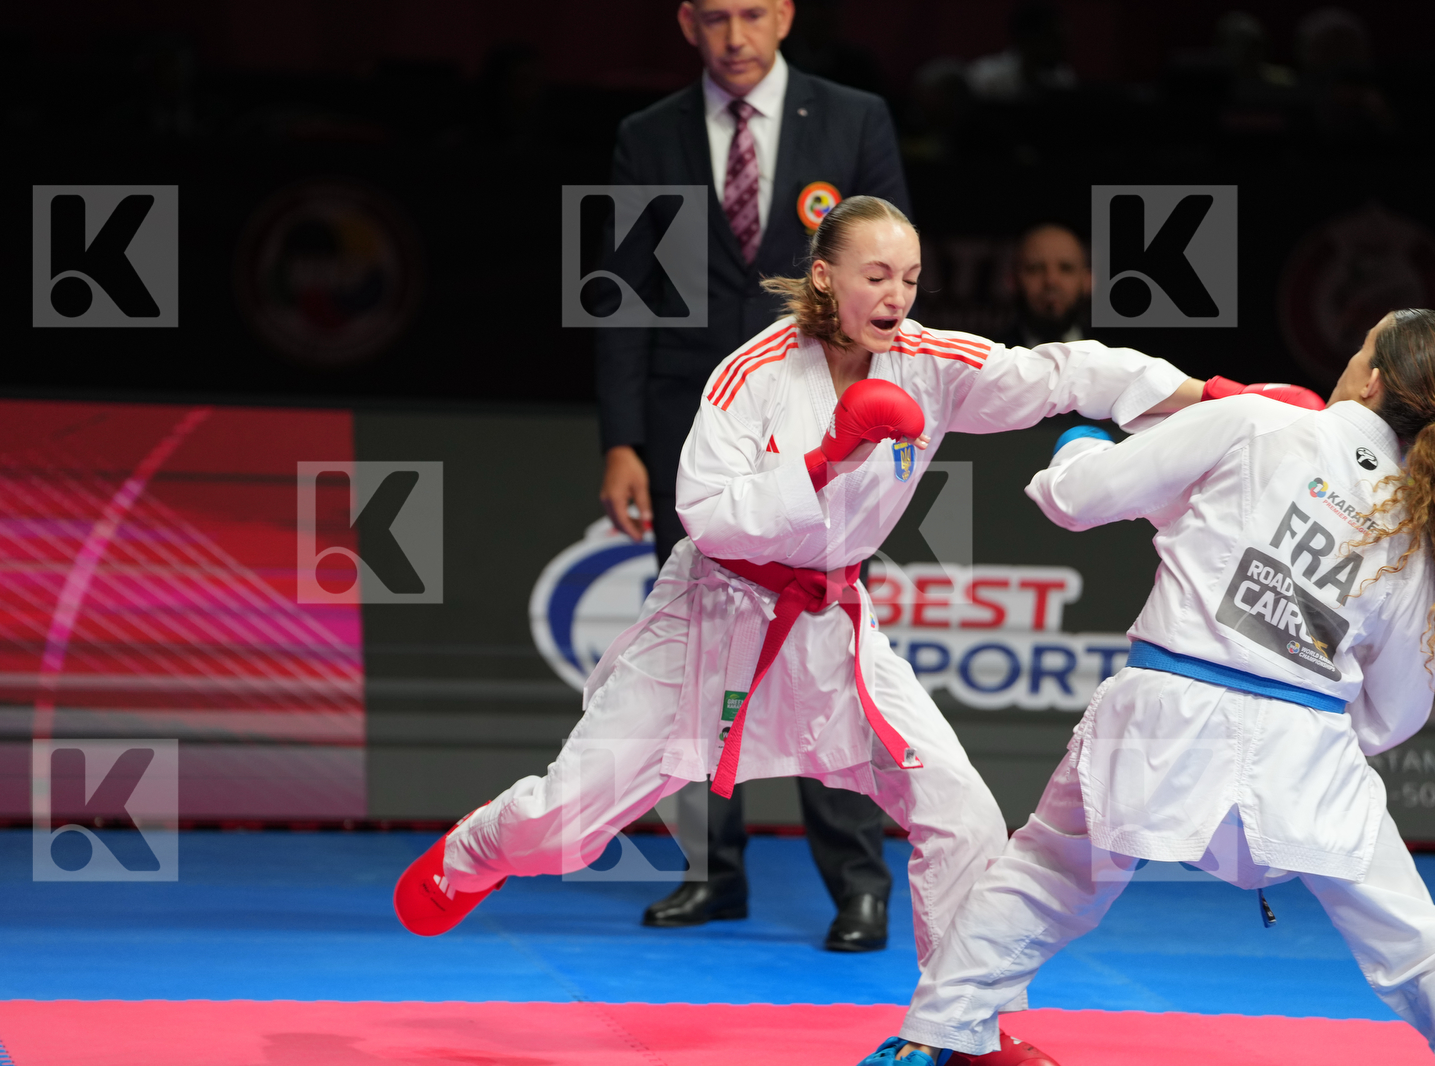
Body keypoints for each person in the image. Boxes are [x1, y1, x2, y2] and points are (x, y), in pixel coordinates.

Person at [396, 193, 1301, 1066]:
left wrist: (1215, 396)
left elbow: (1065, 372)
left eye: (909, 278)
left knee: (962, 814)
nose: (897, 298)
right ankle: (475, 850)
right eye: (877, 277)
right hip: (713, 618)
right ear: (825, 278)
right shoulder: (750, 373)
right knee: (565, 826)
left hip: (833, 625)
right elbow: (703, 514)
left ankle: (964, 1028)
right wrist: (828, 457)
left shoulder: (927, 360)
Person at [890, 311, 1435, 1064]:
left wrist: (1078, 444)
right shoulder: (1413, 523)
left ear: (1371, 379)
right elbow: (1403, 705)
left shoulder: (1257, 422)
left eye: (1359, 349)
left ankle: (931, 1038)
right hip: (1305, 750)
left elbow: (1076, 498)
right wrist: (1314, 708)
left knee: (1047, 874)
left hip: (1163, 716)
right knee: (1412, 942)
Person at [595, 0, 913, 951]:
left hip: (828, 428)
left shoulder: (853, 119)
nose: (735, 35)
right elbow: (622, 294)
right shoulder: (645, 138)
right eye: (716, 16)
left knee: (824, 644)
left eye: (752, 13)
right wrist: (620, 439)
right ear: (687, 22)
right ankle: (711, 872)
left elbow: (887, 279)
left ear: (783, 15)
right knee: (703, 650)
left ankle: (859, 884)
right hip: (691, 434)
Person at [995, 224, 1090, 350]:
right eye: (1035, 268)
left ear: (1088, 280)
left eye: (1066, 268)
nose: (1051, 280)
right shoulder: (990, 362)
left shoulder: (1116, 359)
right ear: (1012, 280)